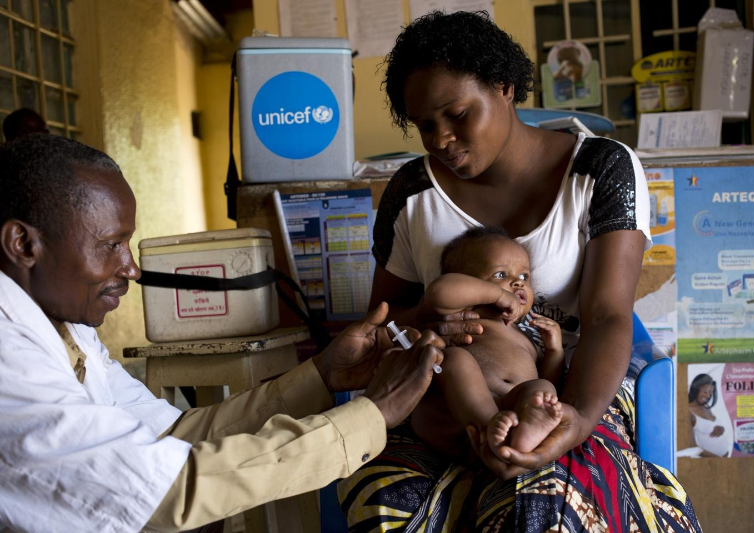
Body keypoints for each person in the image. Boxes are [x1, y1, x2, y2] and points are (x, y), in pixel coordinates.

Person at [338, 10, 702, 532]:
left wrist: (576, 419)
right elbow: (386, 318)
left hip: (567, 388)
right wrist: (430, 323)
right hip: (442, 392)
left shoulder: (600, 171)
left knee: (549, 500)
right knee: (390, 503)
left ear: (505, 87)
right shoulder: (411, 194)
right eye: (425, 125)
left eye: (457, 113)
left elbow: (605, 317)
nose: (441, 139)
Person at [0, 133, 445, 532]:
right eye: (111, 245)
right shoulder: (8, 358)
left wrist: (322, 375)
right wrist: (374, 412)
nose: (131, 268)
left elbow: (172, 435)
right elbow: (168, 491)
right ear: (23, 244)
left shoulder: (63, 328)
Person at [412, 227, 565, 466]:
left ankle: (521, 437)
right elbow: (438, 292)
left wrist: (555, 352)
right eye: (500, 275)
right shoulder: (463, 316)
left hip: (508, 415)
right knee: (453, 359)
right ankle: (489, 428)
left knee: (542, 388)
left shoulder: (526, 336)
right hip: (454, 416)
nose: (517, 283)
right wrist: (496, 295)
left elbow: (551, 381)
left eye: (524, 277)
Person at [688, 373, 730, 458]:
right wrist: (716, 459)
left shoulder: (705, 406)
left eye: (710, 393)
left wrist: (722, 429)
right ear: (696, 389)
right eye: (705, 391)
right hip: (711, 461)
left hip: (726, 456)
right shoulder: (688, 412)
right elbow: (691, 446)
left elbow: (712, 425)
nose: (708, 396)